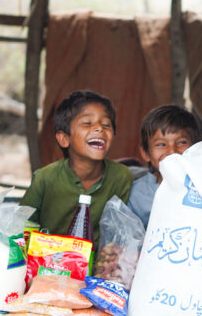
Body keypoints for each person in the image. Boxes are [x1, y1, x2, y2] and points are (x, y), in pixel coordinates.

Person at [21, 90, 132, 248]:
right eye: (87, 123)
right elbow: (22, 227)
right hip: (48, 265)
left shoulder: (121, 177)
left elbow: (121, 232)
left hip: (95, 269)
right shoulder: (45, 178)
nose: (99, 128)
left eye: (106, 124)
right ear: (64, 138)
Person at [127, 104, 201, 227]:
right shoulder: (138, 194)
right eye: (161, 144)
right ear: (146, 153)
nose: (172, 151)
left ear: (197, 148)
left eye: (182, 142)